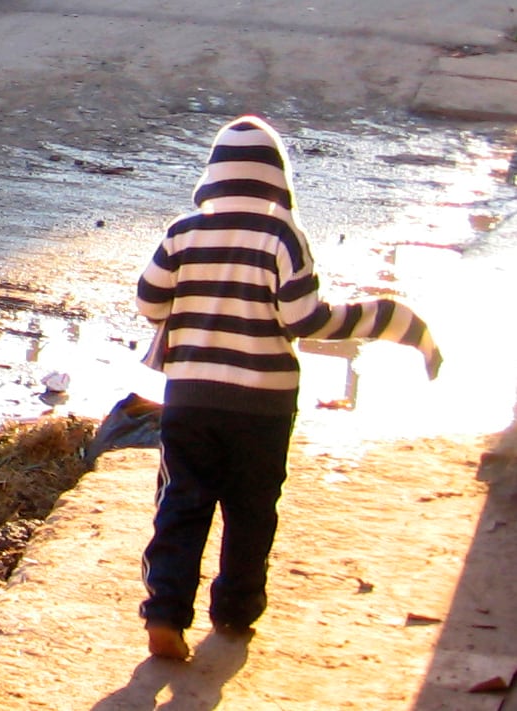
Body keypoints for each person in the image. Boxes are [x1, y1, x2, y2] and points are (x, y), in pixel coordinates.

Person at [134, 115, 443, 660]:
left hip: (190, 399)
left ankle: (164, 612)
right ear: (278, 178)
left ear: (213, 175)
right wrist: (384, 317)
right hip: (263, 405)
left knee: (181, 502)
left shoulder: (183, 232)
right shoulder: (282, 235)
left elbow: (149, 301)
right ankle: (236, 610)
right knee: (252, 509)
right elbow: (303, 318)